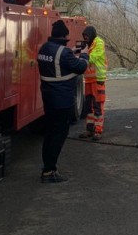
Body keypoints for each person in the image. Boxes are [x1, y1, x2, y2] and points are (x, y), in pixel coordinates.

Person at [37, 19, 87, 183]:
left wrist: (70, 52)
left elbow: (57, 59)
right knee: (58, 135)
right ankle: (49, 171)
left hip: (48, 97)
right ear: (64, 37)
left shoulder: (44, 48)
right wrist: (84, 54)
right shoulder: (64, 53)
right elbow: (81, 67)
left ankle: (47, 167)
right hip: (62, 100)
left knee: (49, 133)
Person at [78, 25, 108, 141]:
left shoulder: (99, 42)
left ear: (91, 35)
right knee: (88, 106)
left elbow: (94, 57)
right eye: (84, 36)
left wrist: (82, 56)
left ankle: (98, 130)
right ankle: (89, 129)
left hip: (98, 79)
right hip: (89, 80)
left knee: (97, 106)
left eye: (86, 36)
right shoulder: (88, 44)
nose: (85, 38)